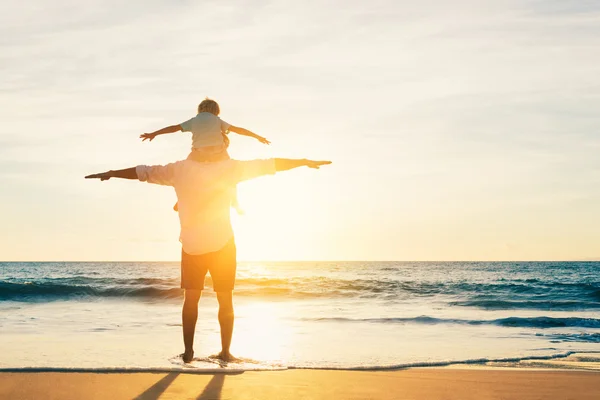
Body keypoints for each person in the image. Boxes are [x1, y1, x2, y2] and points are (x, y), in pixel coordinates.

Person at [85, 155, 331, 363]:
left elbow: (144, 172)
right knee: (224, 298)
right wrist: (302, 162)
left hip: (193, 245)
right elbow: (269, 165)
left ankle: (189, 353)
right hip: (222, 244)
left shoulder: (179, 170)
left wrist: (112, 173)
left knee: (192, 299)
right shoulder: (230, 168)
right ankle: (225, 353)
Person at [139, 98, 270, 214]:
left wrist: (154, 133)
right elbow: (238, 130)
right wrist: (257, 137)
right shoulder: (217, 120)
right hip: (218, 153)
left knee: (186, 174)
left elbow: (173, 128)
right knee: (231, 174)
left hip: (198, 153)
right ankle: (235, 202)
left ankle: (181, 200)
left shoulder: (194, 120)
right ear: (216, 110)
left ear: (200, 110)